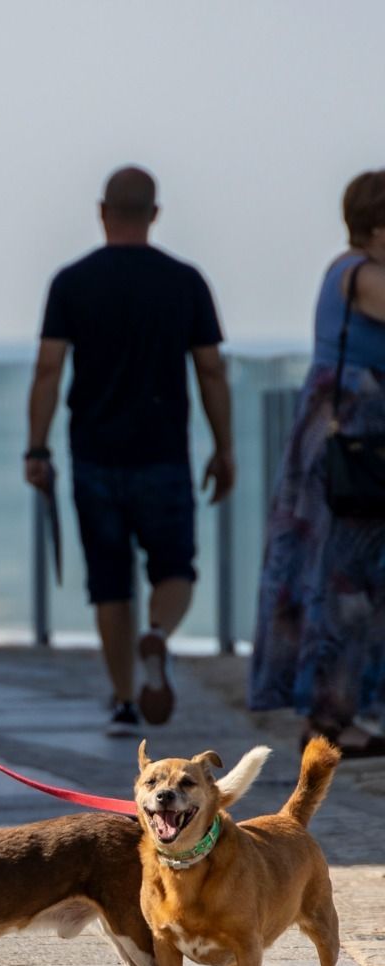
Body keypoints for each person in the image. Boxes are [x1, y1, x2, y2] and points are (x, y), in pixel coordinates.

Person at [26, 166, 233, 738]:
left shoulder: (72, 282)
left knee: (109, 582)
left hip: (94, 454)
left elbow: (48, 370)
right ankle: (159, 634)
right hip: (163, 452)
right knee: (176, 569)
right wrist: (225, 448)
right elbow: (211, 371)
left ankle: (123, 701)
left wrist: (36, 447)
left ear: (102, 211)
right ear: (155, 214)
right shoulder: (185, 281)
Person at [250, 170, 385, 759]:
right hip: (351, 451)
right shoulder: (360, 274)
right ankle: (329, 719)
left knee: (351, 579)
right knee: (343, 581)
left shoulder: (351, 271)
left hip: (354, 446)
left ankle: (337, 714)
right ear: (376, 228)